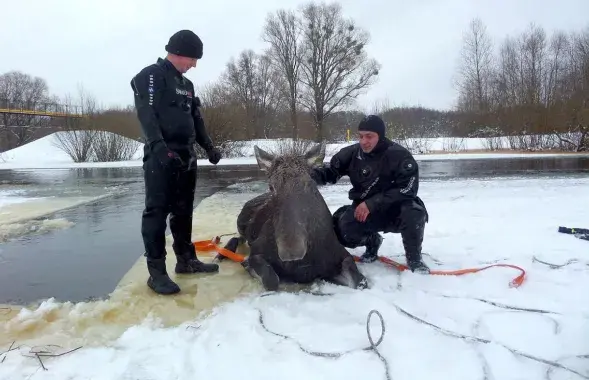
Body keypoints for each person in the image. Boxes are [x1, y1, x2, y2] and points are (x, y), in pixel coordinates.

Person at [130, 30, 223, 295]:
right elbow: (145, 113)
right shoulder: (151, 76)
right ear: (179, 52)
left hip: (186, 156)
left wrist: (209, 147)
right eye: (193, 59)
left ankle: (186, 260)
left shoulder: (187, 85)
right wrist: (158, 147)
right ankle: (156, 272)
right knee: (156, 212)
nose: (194, 65)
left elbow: (197, 119)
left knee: (183, 211)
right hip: (161, 156)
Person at [311, 115, 430, 274]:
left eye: (369, 136)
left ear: (380, 136)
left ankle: (415, 260)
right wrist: (307, 175)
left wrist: (373, 203)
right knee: (342, 230)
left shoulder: (399, 155)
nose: (364, 141)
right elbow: (330, 173)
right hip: (364, 211)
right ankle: (372, 241)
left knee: (415, 212)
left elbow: (408, 189)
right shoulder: (350, 154)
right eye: (360, 136)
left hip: (396, 210)